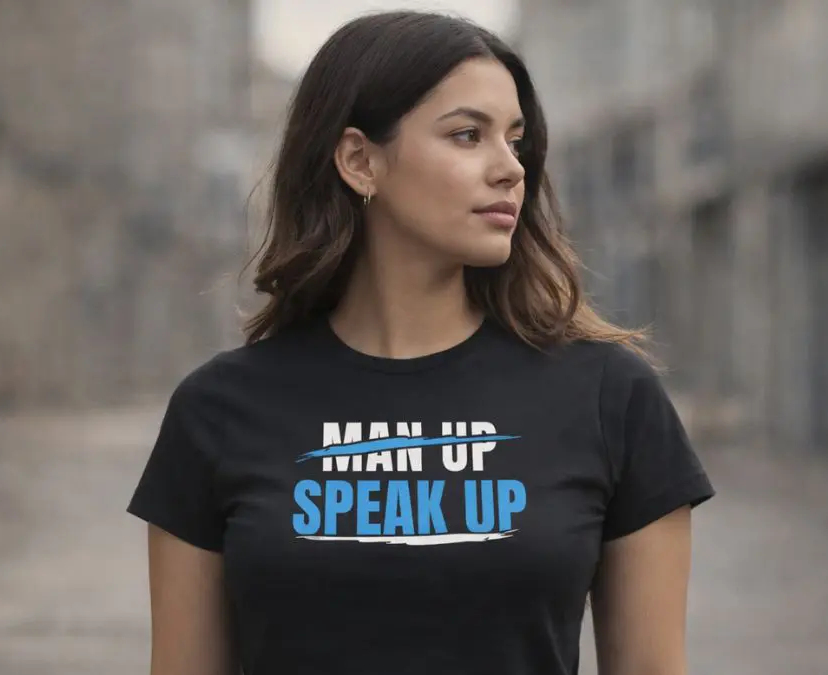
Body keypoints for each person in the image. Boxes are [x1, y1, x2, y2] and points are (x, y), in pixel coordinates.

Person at [127, 10, 714, 675]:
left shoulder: (611, 397)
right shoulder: (218, 411)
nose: (509, 169)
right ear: (358, 160)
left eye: (514, 140)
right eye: (468, 135)